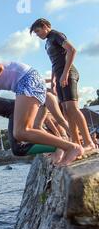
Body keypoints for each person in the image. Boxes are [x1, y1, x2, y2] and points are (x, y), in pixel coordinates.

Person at [30, 18, 96, 151]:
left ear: (45, 26)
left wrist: (65, 74)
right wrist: (53, 80)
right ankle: (76, 142)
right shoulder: (47, 43)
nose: (38, 35)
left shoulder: (56, 35)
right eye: (36, 34)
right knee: (66, 111)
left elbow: (72, 50)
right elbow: (54, 63)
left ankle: (89, 142)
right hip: (60, 77)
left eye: (38, 31)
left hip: (69, 74)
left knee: (72, 108)